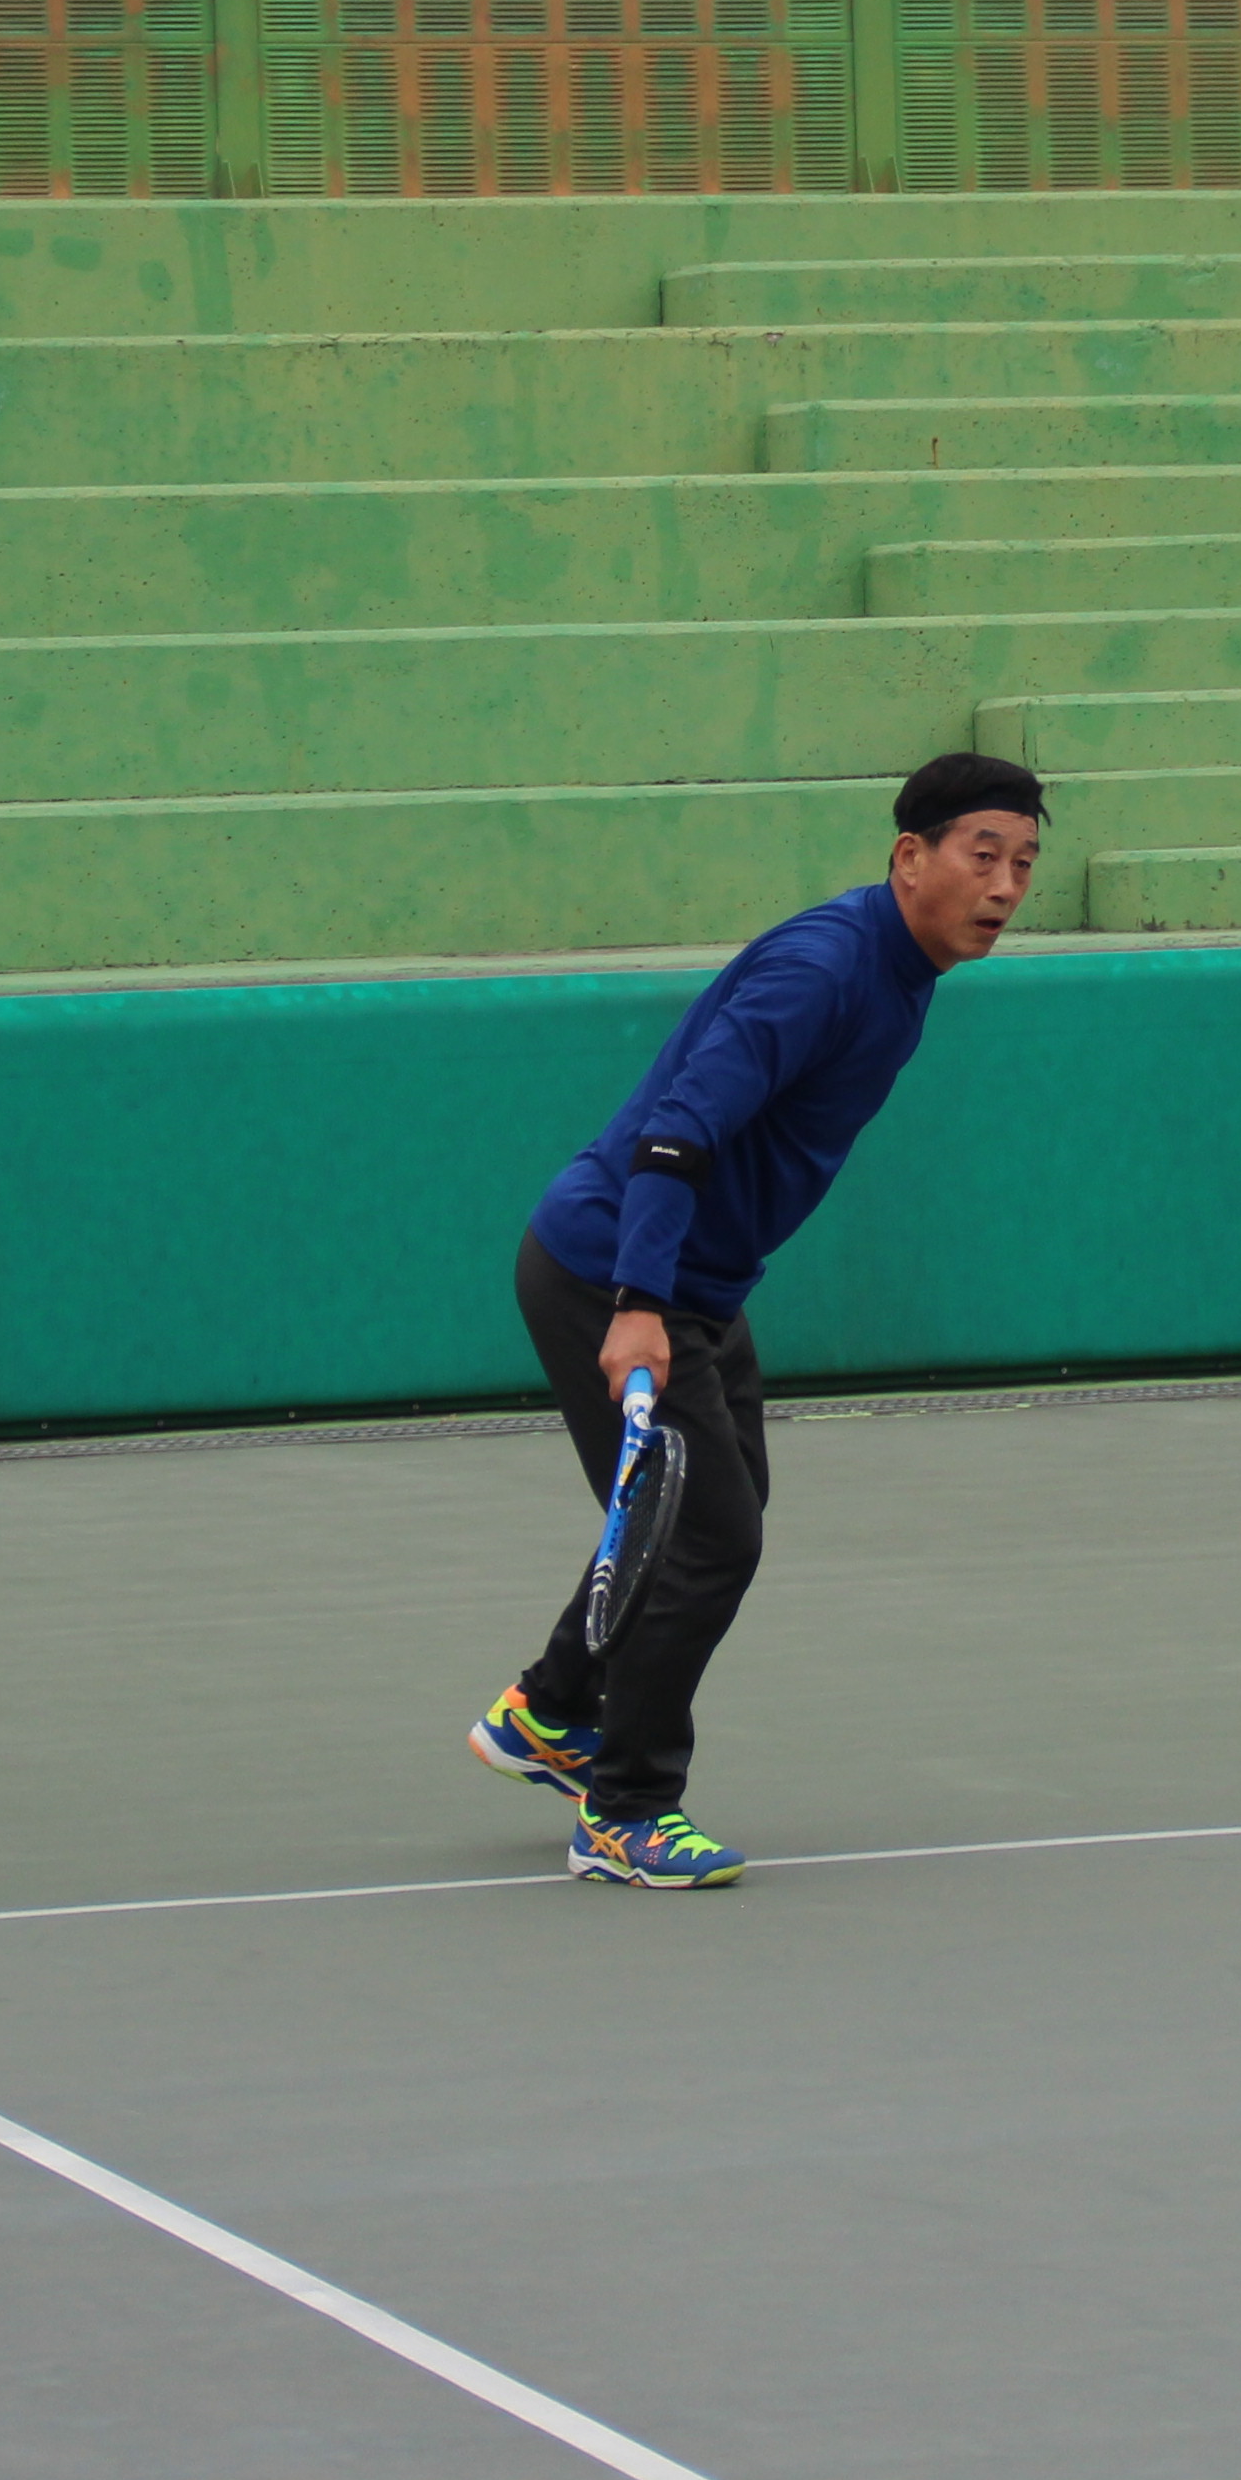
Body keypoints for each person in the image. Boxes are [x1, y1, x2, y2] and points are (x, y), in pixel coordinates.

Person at [469, 750, 1048, 1889]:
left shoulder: (905, 970)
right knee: (708, 1540)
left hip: (701, 1284)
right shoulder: (824, 970)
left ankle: (551, 1710)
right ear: (910, 857)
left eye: (1025, 864)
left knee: (708, 1515)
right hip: (616, 1273)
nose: (1005, 886)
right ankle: (624, 1810)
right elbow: (677, 1130)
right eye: (984, 856)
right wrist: (639, 1305)